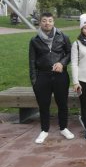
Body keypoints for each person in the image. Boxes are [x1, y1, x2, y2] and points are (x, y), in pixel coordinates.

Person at [29, 12, 74, 144]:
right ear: (40, 22)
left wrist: (62, 63)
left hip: (60, 76)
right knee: (44, 105)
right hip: (42, 76)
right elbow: (31, 61)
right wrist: (34, 81)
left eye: (49, 20)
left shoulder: (63, 37)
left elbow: (71, 53)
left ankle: (63, 127)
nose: (47, 23)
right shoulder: (34, 40)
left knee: (62, 103)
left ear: (53, 22)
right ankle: (44, 130)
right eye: (44, 20)